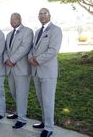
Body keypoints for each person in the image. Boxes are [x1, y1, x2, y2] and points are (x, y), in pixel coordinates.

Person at [28, 8, 62, 137]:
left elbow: (53, 50)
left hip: (48, 72)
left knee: (48, 100)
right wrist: (30, 57)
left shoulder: (56, 30)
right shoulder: (37, 32)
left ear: (49, 15)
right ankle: (44, 121)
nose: (42, 16)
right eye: (40, 14)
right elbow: (32, 48)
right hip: (36, 72)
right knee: (41, 99)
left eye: (44, 13)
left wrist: (37, 60)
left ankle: (49, 127)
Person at [4, 13, 33, 128]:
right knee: (14, 92)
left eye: (15, 18)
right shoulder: (9, 34)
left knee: (21, 94)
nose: (13, 20)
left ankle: (22, 119)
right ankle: (18, 112)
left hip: (21, 69)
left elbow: (24, 48)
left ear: (20, 19)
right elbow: (5, 49)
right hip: (10, 68)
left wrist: (12, 60)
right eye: (11, 19)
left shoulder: (28, 31)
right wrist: (7, 60)